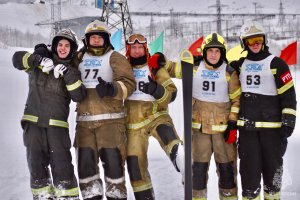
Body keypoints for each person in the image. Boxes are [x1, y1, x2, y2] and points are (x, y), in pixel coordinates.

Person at [12, 28, 86, 200]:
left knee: (63, 170)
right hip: (33, 126)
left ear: (72, 49)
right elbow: (16, 59)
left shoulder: (73, 70)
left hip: (57, 129)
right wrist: (36, 58)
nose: (62, 48)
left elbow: (79, 96)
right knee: (37, 170)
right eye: (59, 44)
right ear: (54, 45)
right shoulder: (39, 63)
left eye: (67, 45)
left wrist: (67, 75)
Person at [166, 33, 241, 199]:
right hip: (198, 132)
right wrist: (159, 61)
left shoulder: (230, 73)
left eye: (217, 51)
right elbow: (173, 68)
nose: (213, 54)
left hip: (223, 135)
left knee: (227, 174)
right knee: (197, 175)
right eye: (210, 51)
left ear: (222, 53)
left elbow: (237, 100)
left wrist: (233, 124)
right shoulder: (193, 68)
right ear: (204, 52)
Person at [230, 21, 297, 200]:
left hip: (273, 133)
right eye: (250, 41)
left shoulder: (277, 64)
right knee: (249, 179)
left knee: (272, 179)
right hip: (248, 133)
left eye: (258, 39)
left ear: (264, 40)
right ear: (243, 43)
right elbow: (217, 66)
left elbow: (289, 96)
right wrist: (198, 60)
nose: (255, 44)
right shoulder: (239, 65)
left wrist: (289, 120)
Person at [73, 20, 136, 200]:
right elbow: (62, 61)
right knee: (86, 170)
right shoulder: (78, 58)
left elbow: (129, 84)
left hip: (111, 124)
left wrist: (112, 88)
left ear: (106, 39)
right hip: (84, 125)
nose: (95, 41)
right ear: (86, 40)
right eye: (92, 38)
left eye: (99, 38)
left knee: (114, 169)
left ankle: (116, 196)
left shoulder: (115, 57)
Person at [124, 33, 184, 200]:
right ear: (129, 50)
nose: (137, 51)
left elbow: (172, 94)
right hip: (133, 123)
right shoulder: (122, 67)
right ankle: (145, 196)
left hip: (155, 115)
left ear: (145, 49)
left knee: (168, 137)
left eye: (140, 48)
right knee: (135, 167)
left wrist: (155, 90)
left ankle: (182, 160)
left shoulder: (154, 66)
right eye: (133, 48)